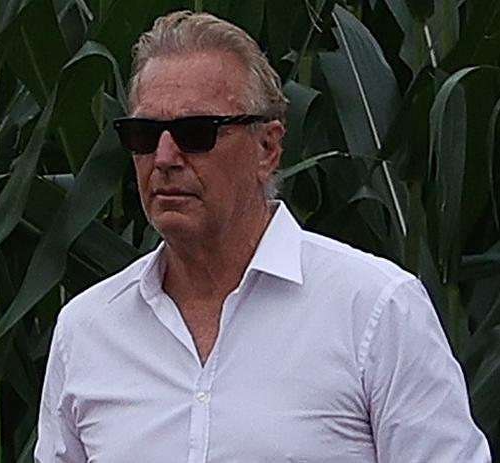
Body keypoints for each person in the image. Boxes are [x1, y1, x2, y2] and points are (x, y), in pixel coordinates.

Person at [35, 10, 491, 462]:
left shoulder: (374, 310)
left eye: (197, 133)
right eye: (144, 134)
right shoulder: (87, 330)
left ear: (267, 148)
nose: (165, 157)